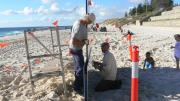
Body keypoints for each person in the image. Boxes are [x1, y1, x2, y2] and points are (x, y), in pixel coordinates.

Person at [69, 13, 96, 94]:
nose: (90, 23)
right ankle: (77, 87)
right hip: (75, 49)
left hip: (77, 49)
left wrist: (85, 41)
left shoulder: (83, 24)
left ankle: (78, 83)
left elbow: (80, 38)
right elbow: (74, 41)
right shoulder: (78, 25)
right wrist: (83, 42)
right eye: (90, 22)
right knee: (81, 68)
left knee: (78, 67)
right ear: (87, 19)